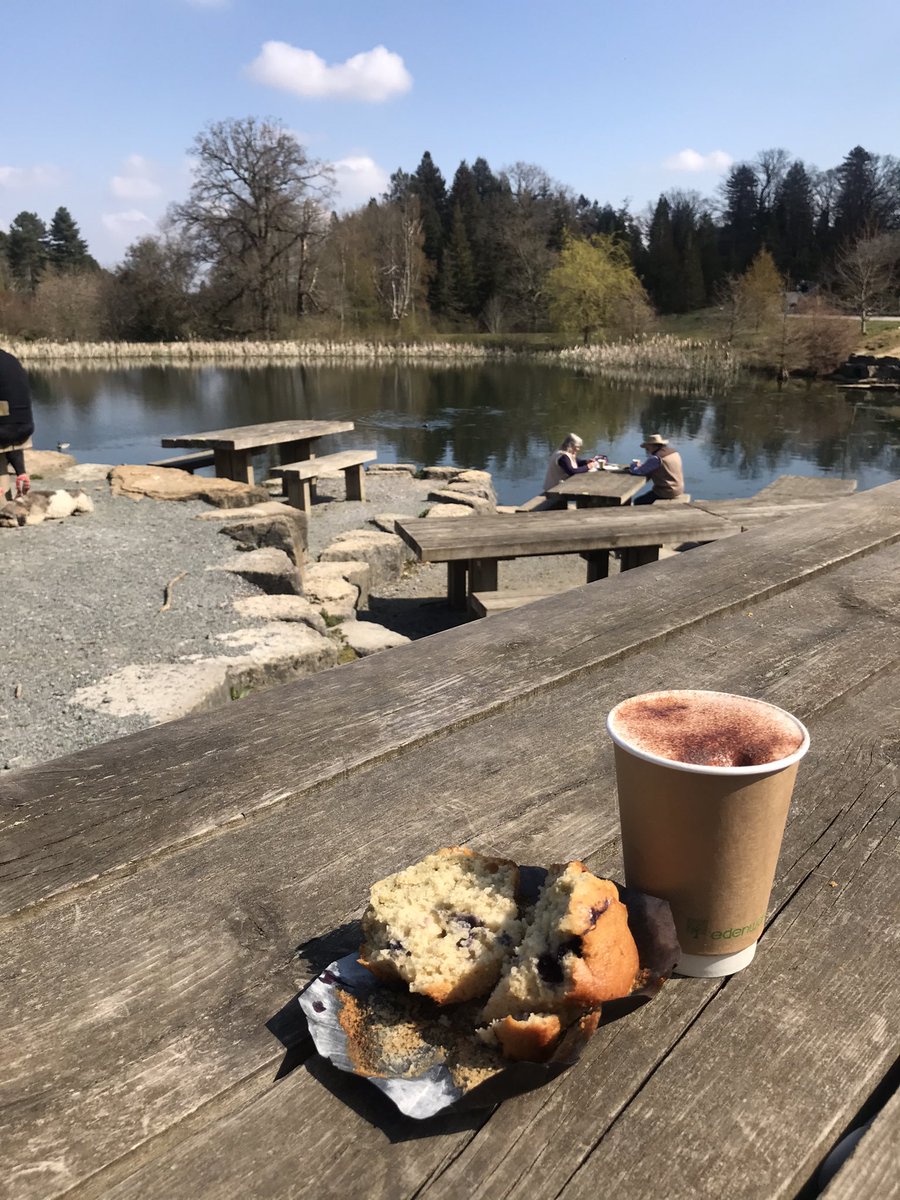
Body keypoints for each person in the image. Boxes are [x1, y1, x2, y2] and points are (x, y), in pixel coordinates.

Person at [0, 348, 34, 498]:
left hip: (5, 429)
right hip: (25, 426)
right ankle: (21, 473)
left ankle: (1, 495)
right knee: (9, 421)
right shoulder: (10, 359)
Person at [627, 433, 684, 505]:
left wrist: (633, 465)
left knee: (638, 501)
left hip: (666, 491)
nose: (647, 450)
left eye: (647, 447)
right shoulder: (673, 452)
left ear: (653, 446)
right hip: (678, 489)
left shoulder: (656, 458)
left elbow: (637, 471)